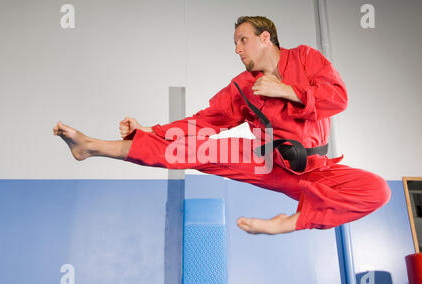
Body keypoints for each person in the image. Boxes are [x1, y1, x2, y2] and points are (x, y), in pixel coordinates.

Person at [53, 16, 391, 235]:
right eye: (234, 43)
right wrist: (148, 131)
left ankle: (290, 222)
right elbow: (204, 122)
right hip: (267, 161)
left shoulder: (305, 58)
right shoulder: (242, 86)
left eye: (242, 40)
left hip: (317, 169)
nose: (237, 48)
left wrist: (287, 90)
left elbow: (338, 98)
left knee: (379, 189)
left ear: (265, 37)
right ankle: (91, 147)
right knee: (196, 149)